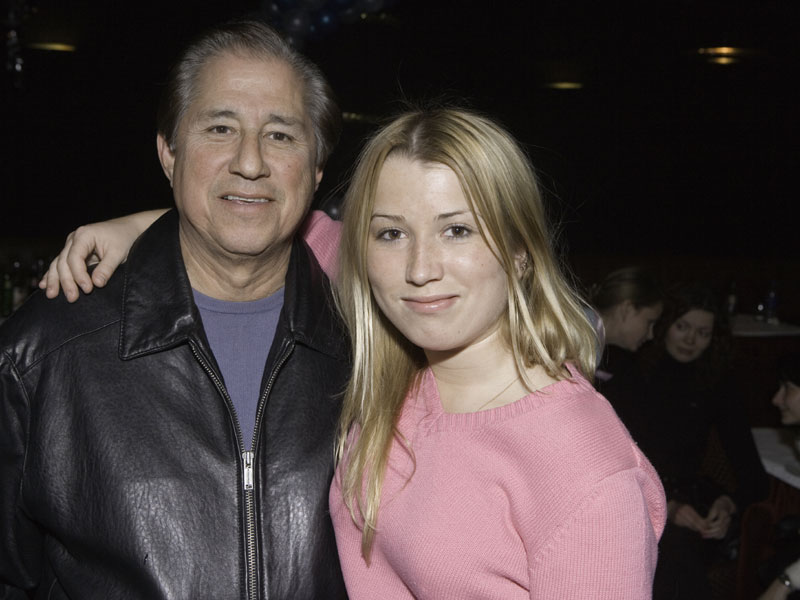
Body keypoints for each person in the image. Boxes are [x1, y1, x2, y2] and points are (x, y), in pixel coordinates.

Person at [36, 107, 668, 598]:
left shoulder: (581, 467)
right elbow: (283, 224)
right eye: (391, 233)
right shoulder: (410, 350)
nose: (420, 268)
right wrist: (135, 227)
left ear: (521, 251)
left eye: (457, 230)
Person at [0, 20, 350, 598]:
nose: (250, 162)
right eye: (220, 128)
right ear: (168, 152)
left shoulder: (375, 350)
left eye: (281, 135)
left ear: (316, 169)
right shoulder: (43, 353)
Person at [605, 281, 769, 599]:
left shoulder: (717, 383)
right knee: (669, 550)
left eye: (703, 333)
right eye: (682, 327)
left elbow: (753, 475)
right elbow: (612, 458)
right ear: (664, 326)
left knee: (682, 547)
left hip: (690, 503)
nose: (691, 340)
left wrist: (729, 504)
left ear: (714, 338)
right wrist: (666, 506)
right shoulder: (631, 370)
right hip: (633, 498)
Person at [589, 266, 663, 386]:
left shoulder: (591, 335)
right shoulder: (582, 339)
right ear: (627, 309)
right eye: (649, 322)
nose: (651, 335)